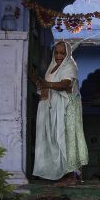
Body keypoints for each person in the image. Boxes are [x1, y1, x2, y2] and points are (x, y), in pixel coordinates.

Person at [29, 41, 88, 187]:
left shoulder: (70, 66)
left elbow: (65, 85)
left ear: (67, 53)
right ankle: (63, 174)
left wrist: (45, 84)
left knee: (68, 138)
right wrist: (36, 80)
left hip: (68, 107)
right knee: (58, 139)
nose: (59, 55)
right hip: (55, 108)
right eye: (56, 52)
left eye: (62, 53)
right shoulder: (52, 67)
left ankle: (72, 177)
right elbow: (46, 84)